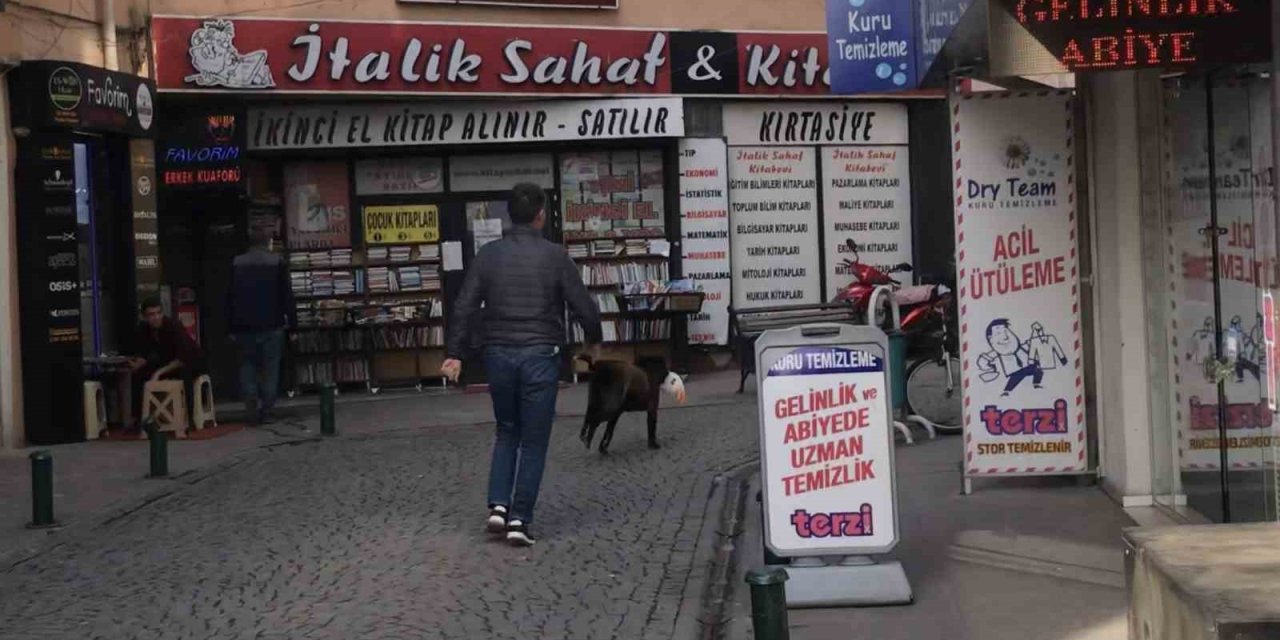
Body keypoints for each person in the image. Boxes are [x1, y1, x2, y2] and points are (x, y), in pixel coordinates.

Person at [443, 183, 602, 547]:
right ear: (541, 214)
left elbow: (465, 305)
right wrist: (593, 339)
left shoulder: (488, 255)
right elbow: (584, 307)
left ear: (508, 215)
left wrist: (455, 352)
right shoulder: (556, 256)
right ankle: (520, 519)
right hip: (540, 355)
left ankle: (498, 506)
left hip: (497, 353)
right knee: (533, 440)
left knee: (507, 430)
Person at [228, 225, 294, 424]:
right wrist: (293, 325)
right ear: (268, 242)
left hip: (243, 326)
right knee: (270, 369)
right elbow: (287, 296)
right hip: (271, 325)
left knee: (247, 367)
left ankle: (250, 408)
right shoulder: (277, 262)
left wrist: (229, 327)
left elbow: (229, 298)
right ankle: (266, 410)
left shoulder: (236, 263)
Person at [129, 297, 205, 429]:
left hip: (187, 362)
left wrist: (159, 372)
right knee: (139, 375)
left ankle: (189, 418)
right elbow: (146, 353)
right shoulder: (143, 329)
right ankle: (139, 418)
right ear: (144, 317)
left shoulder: (173, 326)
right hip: (166, 363)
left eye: (159, 313)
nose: (156, 317)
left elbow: (182, 358)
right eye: (151, 315)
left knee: (184, 374)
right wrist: (139, 363)